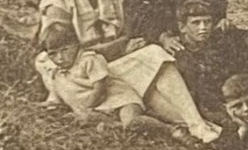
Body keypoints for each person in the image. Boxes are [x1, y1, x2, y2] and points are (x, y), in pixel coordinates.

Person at [34, 0, 221, 143]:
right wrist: (120, 45)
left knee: (155, 57)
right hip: (83, 72)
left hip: (113, 61)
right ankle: (200, 126)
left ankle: (198, 126)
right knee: (145, 82)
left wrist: (123, 44)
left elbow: (130, 28)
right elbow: (63, 48)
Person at [40, 23, 191, 141]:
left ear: (76, 46)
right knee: (83, 120)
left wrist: (86, 107)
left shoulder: (89, 60)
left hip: (120, 100)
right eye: (53, 54)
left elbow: (100, 89)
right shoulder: (57, 73)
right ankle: (115, 126)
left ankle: (171, 130)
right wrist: (50, 107)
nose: (60, 58)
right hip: (99, 109)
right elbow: (57, 97)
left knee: (133, 121)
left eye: (65, 50)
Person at [171, 0, 248, 126]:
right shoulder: (178, 52)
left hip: (236, 100)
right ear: (182, 27)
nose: (203, 28)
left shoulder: (220, 43)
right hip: (204, 109)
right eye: (196, 23)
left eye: (207, 22)